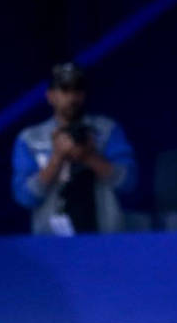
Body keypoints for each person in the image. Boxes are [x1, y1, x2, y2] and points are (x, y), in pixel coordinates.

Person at [11, 62, 136, 236]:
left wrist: (90, 157)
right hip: (52, 243)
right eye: (65, 90)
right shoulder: (30, 139)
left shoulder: (107, 130)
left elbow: (128, 183)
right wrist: (56, 158)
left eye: (77, 90)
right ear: (50, 96)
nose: (72, 97)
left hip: (105, 239)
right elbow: (25, 198)